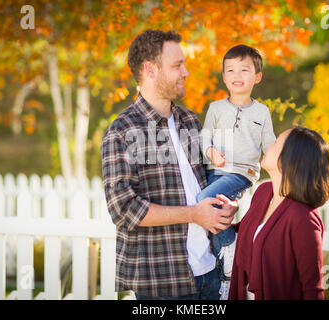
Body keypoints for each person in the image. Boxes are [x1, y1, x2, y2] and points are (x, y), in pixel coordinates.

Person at [101, 29, 238, 300]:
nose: (185, 72)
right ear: (150, 70)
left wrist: (225, 203)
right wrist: (193, 214)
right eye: (177, 65)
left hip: (211, 274)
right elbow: (123, 209)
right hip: (163, 283)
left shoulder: (189, 120)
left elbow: (210, 180)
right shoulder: (122, 131)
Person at [197, 44, 276, 299]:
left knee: (202, 202)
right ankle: (226, 279)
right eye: (230, 70)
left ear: (257, 77)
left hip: (240, 175)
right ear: (224, 77)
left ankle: (231, 246)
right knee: (212, 214)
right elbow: (203, 139)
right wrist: (211, 153)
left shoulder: (262, 112)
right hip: (214, 171)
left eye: (244, 69)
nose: (237, 75)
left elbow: (270, 147)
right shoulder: (216, 108)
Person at [228, 126, 329, 300]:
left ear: (291, 158)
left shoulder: (303, 219)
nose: (269, 144)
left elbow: (312, 290)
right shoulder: (263, 192)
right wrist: (221, 215)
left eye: (276, 142)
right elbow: (248, 234)